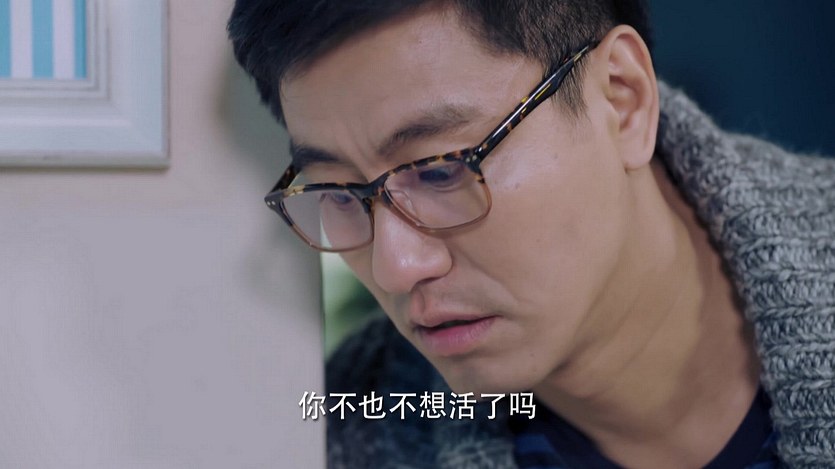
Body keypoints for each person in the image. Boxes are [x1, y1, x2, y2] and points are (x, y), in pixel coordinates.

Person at [228, 1, 835, 467]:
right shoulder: (346, 432)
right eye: (338, 194)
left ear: (621, 101)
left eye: (440, 170)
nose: (396, 268)